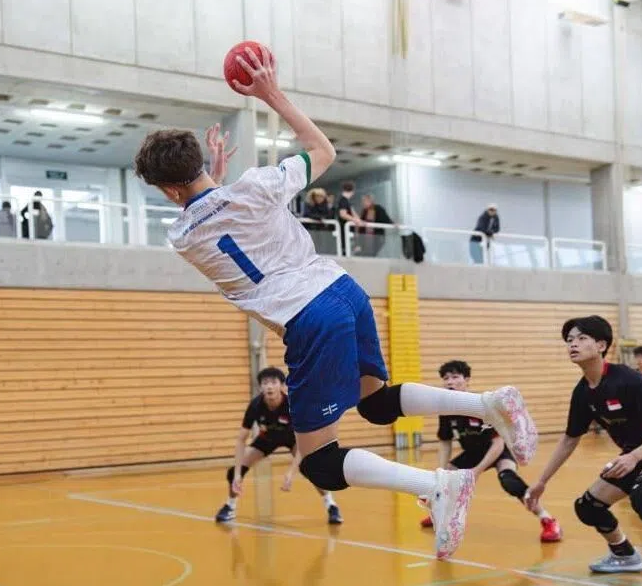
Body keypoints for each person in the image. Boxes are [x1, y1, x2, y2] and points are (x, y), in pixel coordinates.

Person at [133, 48, 537, 558]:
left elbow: (207, 211)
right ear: (198, 165)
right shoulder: (258, 186)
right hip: (343, 289)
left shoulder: (182, 235)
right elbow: (321, 150)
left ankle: (438, 486)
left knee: (320, 463)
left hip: (309, 320)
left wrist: (208, 177)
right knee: (374, 402)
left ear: (169, 191)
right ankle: (485, 403)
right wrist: (269, 94)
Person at [525, 316, 642, 586]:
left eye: (581, 338)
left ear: (601, 345)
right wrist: (541, 482)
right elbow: (570, 439)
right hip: (633, 454)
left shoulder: (628, 379)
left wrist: (634, 456)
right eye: (569, 339)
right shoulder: (583, 392)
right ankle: (624, 554)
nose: (573, 343)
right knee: (588, 507)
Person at [419, 361, 562, 543]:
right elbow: (445, 441)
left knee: (510, 482)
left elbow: (498, 444)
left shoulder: (481, 406)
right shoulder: (446, 410)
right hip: (472, 453)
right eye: (446, 378)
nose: (450, 382)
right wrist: (441, 471)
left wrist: (476, 471)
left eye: (455, 377)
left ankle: (548, 520)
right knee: (443, 482)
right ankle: (439, 516)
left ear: (467, 380)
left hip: (497, 451)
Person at [215, 367, 342, 525]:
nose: (269, 386)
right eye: (265, 383)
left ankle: (331, 505)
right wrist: (237, 475)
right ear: (260, 387)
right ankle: (230, 506)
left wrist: (291, 472)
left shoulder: (293, 405)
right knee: (234, 471)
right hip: (267, 439)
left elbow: (304, 442)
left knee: (310, 468)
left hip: (295, 439)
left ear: (282, 385)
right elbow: (241, 440)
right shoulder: (255, 406)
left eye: (273, 382)